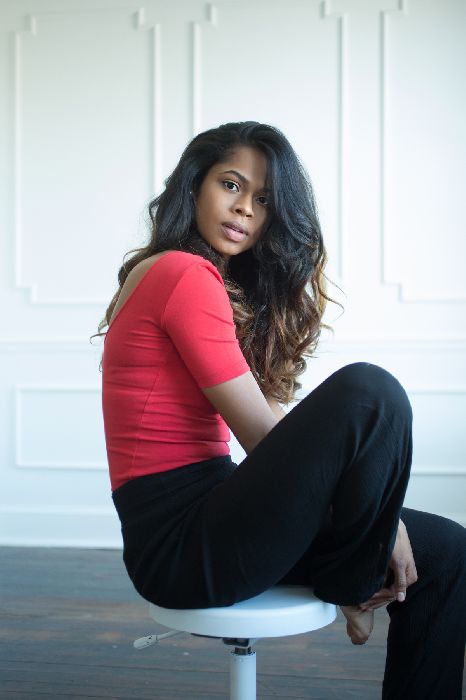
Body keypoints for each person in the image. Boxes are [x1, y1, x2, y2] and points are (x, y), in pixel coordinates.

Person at [94, 121, 465, 699]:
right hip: (181, 543)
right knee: (371, 392)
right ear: (194, 186)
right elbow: (261, 436)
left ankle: (357, 575)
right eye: (231, 184)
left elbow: (289, 444)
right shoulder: (180, 274)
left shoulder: (213, 286)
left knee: (448, 550)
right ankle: (352, 582)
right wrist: (380, 526)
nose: (245, 208)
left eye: (264, 199)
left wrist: (377, 522)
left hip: (219, 517)